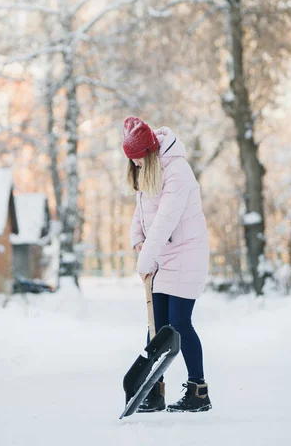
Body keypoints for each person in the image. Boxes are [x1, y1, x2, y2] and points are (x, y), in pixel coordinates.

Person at [123, 116, 211, 413]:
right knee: (156, 327)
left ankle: (198, 391)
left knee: (179, 324)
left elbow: (165, 220)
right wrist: (138, 239)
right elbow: (143, 210)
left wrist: (145, 258)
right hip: (161, 255)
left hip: (187, 255)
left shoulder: (178, 172)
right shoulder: (149, 170)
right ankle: (154, 390)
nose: (135, 166)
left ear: (148, 153)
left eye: (137, 161)